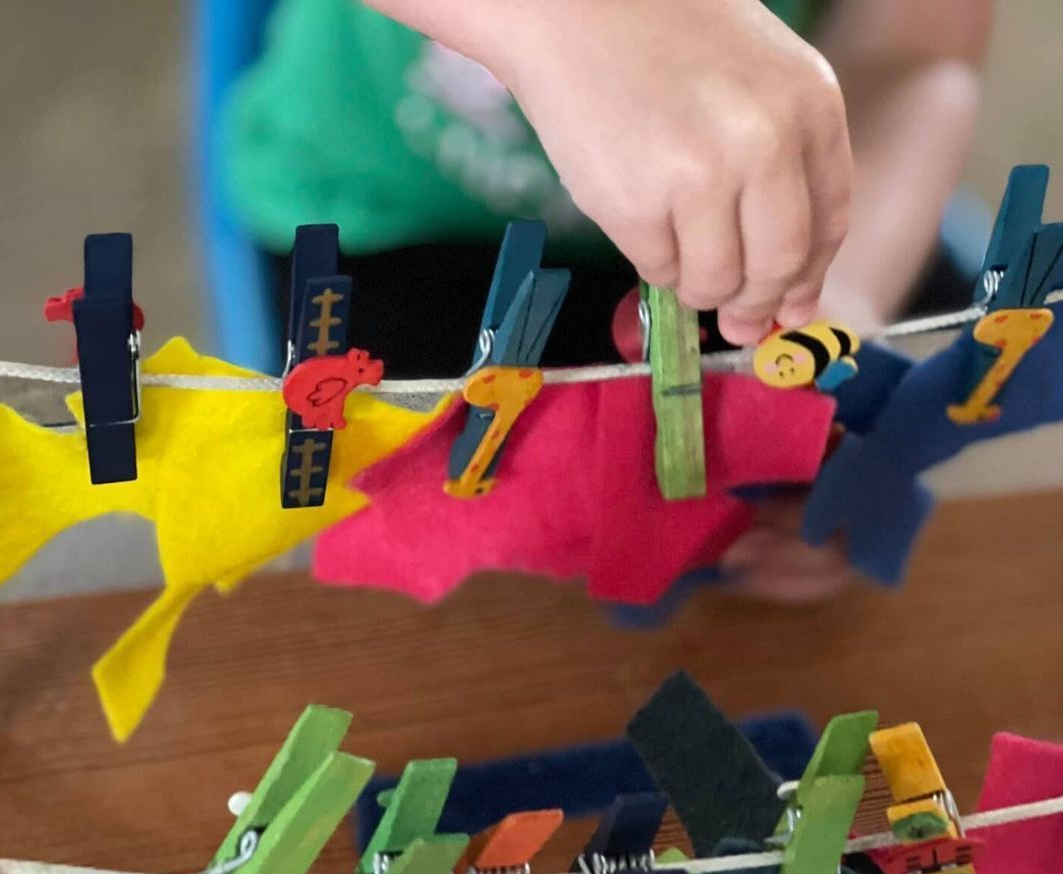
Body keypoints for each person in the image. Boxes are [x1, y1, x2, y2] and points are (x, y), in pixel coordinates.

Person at [220, 0, 993, 600]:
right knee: (441, 557)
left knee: (724, 539)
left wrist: (839, 304)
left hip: (713, 248)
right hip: (388, 219)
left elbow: (914, 61)